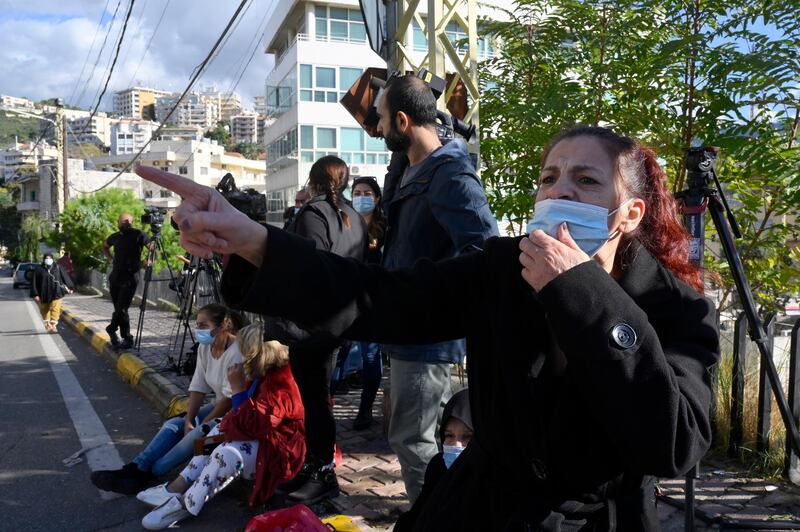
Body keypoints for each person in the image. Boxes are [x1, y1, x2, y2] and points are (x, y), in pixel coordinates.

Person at [137, 124, 721, 530]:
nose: (561, 190)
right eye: (550, 178)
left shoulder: (679, 310)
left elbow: (673, 442)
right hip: (484, 507)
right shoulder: (502, 268)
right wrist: (255, 243)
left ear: (631, 212)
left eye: (586, 181)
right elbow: (380, 298)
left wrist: (581, 293)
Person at [374, 74, 498, 501]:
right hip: (410, 328)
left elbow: (483, 247)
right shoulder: (414, 168)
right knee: (424, 437)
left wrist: (433, 295)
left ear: (403, 121)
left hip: (427, 333)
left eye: (383, 117)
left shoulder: (449, 173)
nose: (377, 126)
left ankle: (434, 517)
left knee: (414, 439)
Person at [267, 155, 368, 505]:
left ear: (313, 182)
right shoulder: (354, 216)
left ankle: (321, 470)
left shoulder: (313, 213)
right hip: (341, 320)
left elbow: (310, 267)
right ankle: (316, 467)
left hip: (312, 324)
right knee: (319, 397)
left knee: (315, 400)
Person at [136, 323, 306, 530]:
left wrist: (236, 389)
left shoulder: (282, 381)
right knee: (214, 435)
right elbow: (242, 417)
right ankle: (179, 484)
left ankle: (187, 504)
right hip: (260, 436)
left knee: (226, 453)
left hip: (278, 450)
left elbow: (253, 423)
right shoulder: (262, 372)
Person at [91, 304, 244, 495]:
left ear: (222, 326)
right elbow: (198, 387)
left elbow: (229, 400)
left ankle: (147, 474)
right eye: (197, 325)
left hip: (234, 415)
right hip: (217, 406)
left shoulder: (237, 352)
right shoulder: (206, 347)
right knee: (174, 424)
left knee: (189, 443)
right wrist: (189, 419)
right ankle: (136, 469)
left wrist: (201, 425)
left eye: (203, 325)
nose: (198, 330)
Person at [394, 388, 472, 531]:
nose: (456, 445)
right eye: (449, 435)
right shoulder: (439, 466)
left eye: (467, 437)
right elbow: (417, 515)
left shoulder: (494, 484)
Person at [348, 176, 387, 430]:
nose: (362, 197)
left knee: (370, 357)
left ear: (376, 198)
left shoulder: (385, 229)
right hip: (345, 301)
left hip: (373, 304)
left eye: (367, 193)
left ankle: (365, 410)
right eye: (357, 192)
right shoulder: (345, 224)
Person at [103, 212, 153, 349]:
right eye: (123, 221)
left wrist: (148, 261)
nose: (125, 223)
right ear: (118, 222)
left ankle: (112, 330)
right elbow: (105, 246)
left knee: (122, 308)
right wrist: (110, 259)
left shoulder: (139, 234)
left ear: (132, 221)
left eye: (128, 221)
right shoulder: (115, 236)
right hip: (115, 276)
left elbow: (153, 248)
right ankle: (126, 338)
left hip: (130, 276)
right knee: (120, 309)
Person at [30, 252, 74, 332]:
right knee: (44, 309)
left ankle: (53, 325)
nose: (48, 260)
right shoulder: (38, 269)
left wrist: (70, 287)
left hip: (56, 292)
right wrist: (35, 294)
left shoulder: (58, 267)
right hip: (43, 294)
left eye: (50, 258)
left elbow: (65, 277)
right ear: (43, 259)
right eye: (46, 258)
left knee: (55, 308)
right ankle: (47, 324)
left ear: (53, 259)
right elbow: (34, 282)